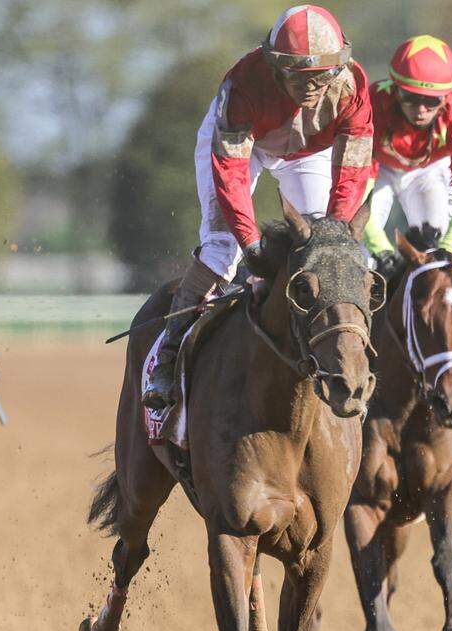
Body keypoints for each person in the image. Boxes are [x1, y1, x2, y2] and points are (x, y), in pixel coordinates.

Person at [142, 4, 373, 411]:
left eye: (321, 75)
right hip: (244, 146)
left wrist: (334, 235)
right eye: (298, 75)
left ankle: (340, 356)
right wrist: (251, 246)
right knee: (221, 252)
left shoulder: (353, 85)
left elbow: (352, 168)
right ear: (274, 65)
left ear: (338, 66)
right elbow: (231, 176)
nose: (312, 85)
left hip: (308, 152)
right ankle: (169, 356)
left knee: (328, 254)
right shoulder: (243, 84)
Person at [361, 35, 452, 277]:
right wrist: (381, 248)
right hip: (378, 171)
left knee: (438, 252)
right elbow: (357, 193)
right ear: (395, 89)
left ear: (446, 97)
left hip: (428, 171)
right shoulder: (372, 106)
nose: (420, 110)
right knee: (362, 252)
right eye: (410, 97)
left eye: (431, 101)